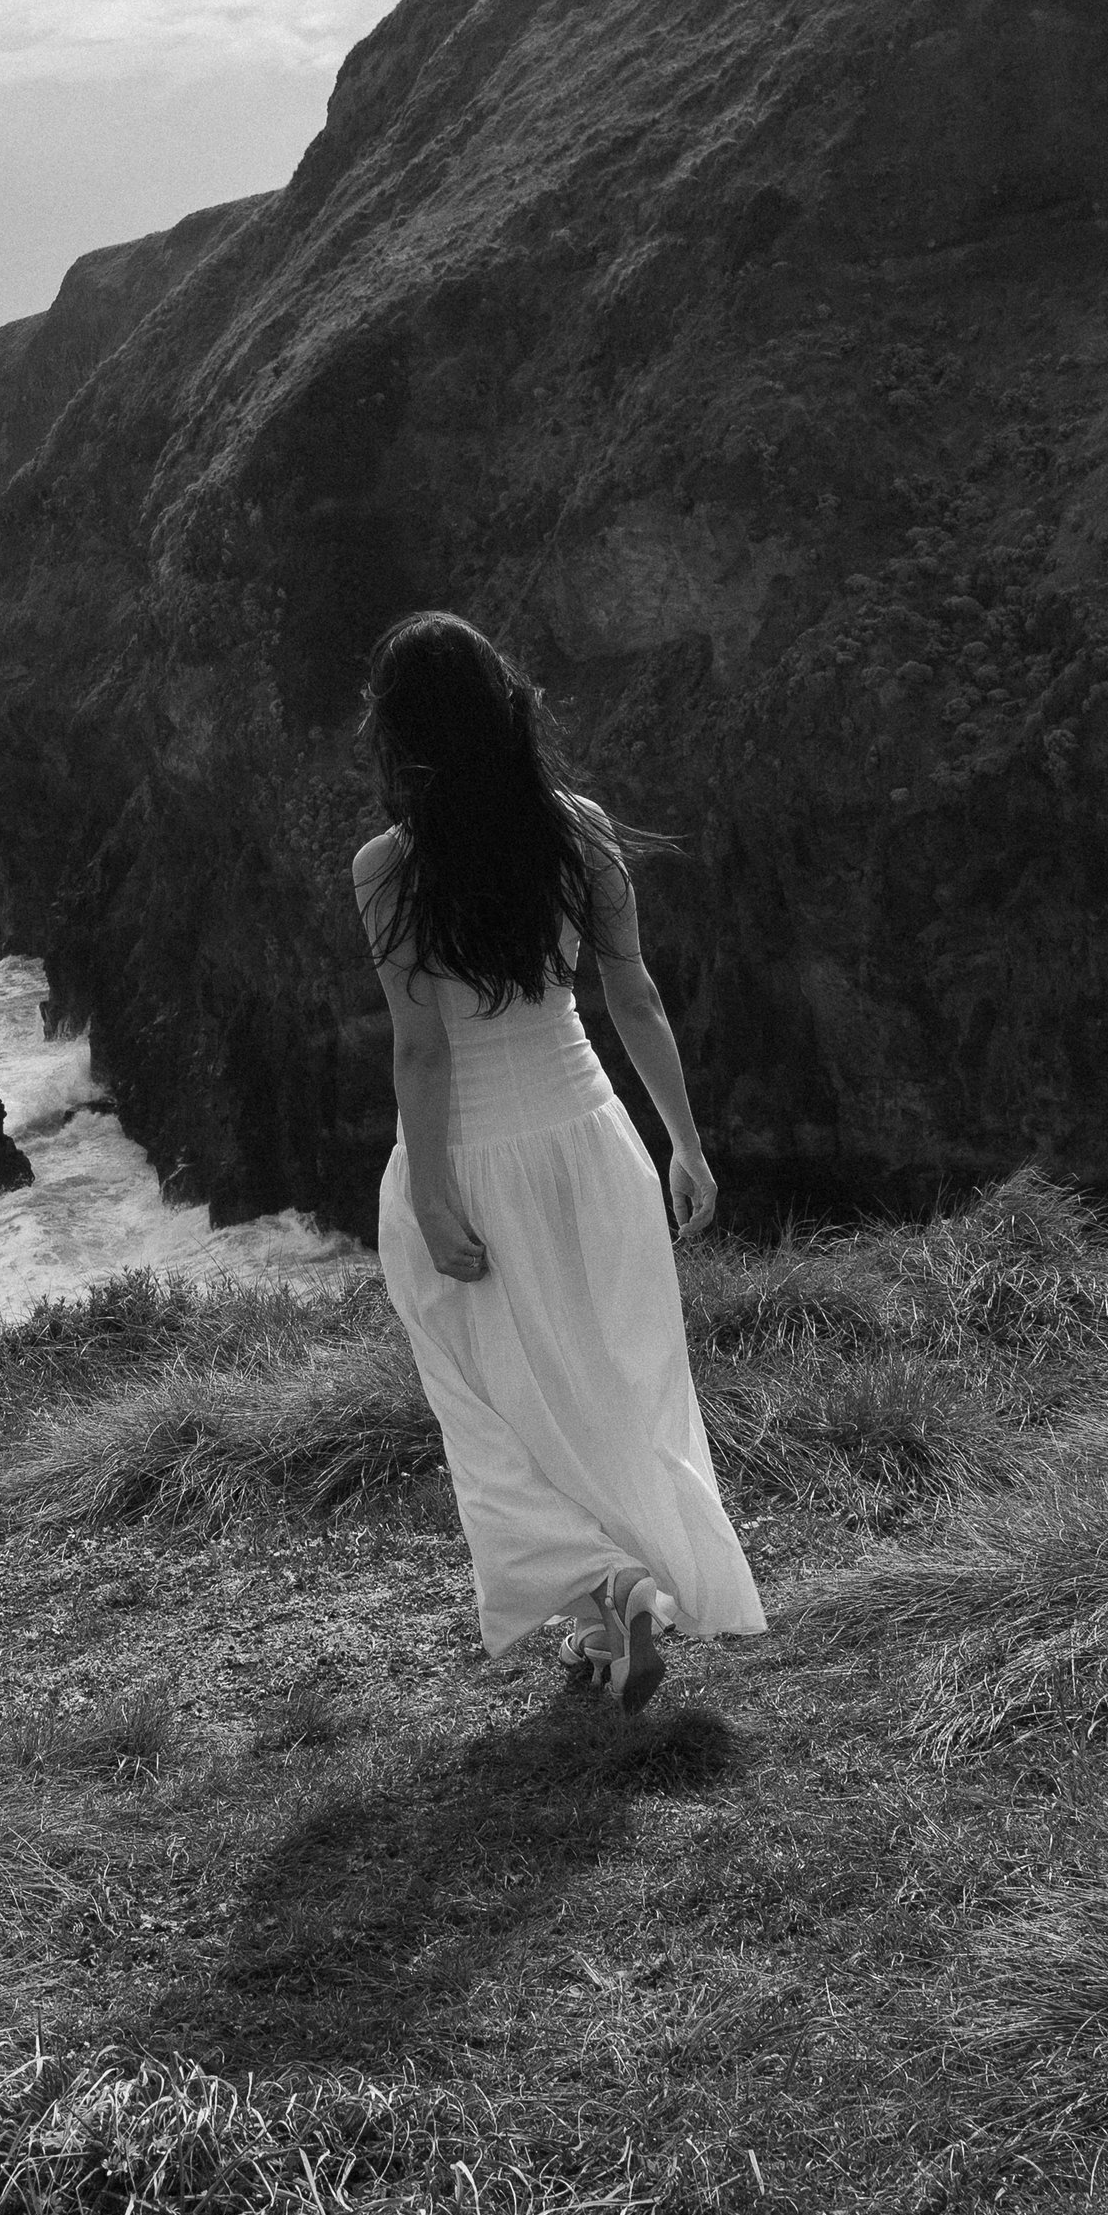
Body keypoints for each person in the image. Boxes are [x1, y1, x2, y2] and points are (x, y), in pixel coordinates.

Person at [351, 610, 766, 1706]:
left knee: (488, 1403)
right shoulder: (577, 830)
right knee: (612, 1380)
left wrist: (434, 1200)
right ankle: (614, 1600)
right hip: (591, 1139)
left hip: (473, 1154)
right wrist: (682, 1142)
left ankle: (607, 1592)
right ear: (506, 706)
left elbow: (422, 1048)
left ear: (397, 734)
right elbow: (630, 993)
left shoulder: (387, 870)